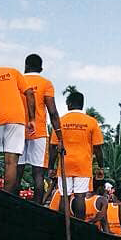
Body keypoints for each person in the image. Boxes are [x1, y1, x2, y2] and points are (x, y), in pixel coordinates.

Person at [48, 90, 104, 219]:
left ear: (69, 103)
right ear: (82, 104)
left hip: (64, 164)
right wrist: (101, 167)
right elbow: (98, 148)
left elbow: (53, 147)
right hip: (83, 165)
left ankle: (63, 224)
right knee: (80, 197)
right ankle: (80, 225)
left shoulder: (60, 121)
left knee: (65, 196)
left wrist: (51, 167)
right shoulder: (91, 122)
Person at [0, 64, 34, 194]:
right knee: (11, 163)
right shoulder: (13, 71)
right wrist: (32, 119)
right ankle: (6, 199)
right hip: (15, 117)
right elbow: (29, 92)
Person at [18, 54, 62, 203]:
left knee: (16, 173)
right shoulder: (46, 83)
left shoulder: (19, 80)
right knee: (38, 176)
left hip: (18, 131)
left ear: (25, 66)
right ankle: (36, 211)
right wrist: (59, 136)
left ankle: (12, 207)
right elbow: (53, 112)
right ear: (41, 69)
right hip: (39, 133)